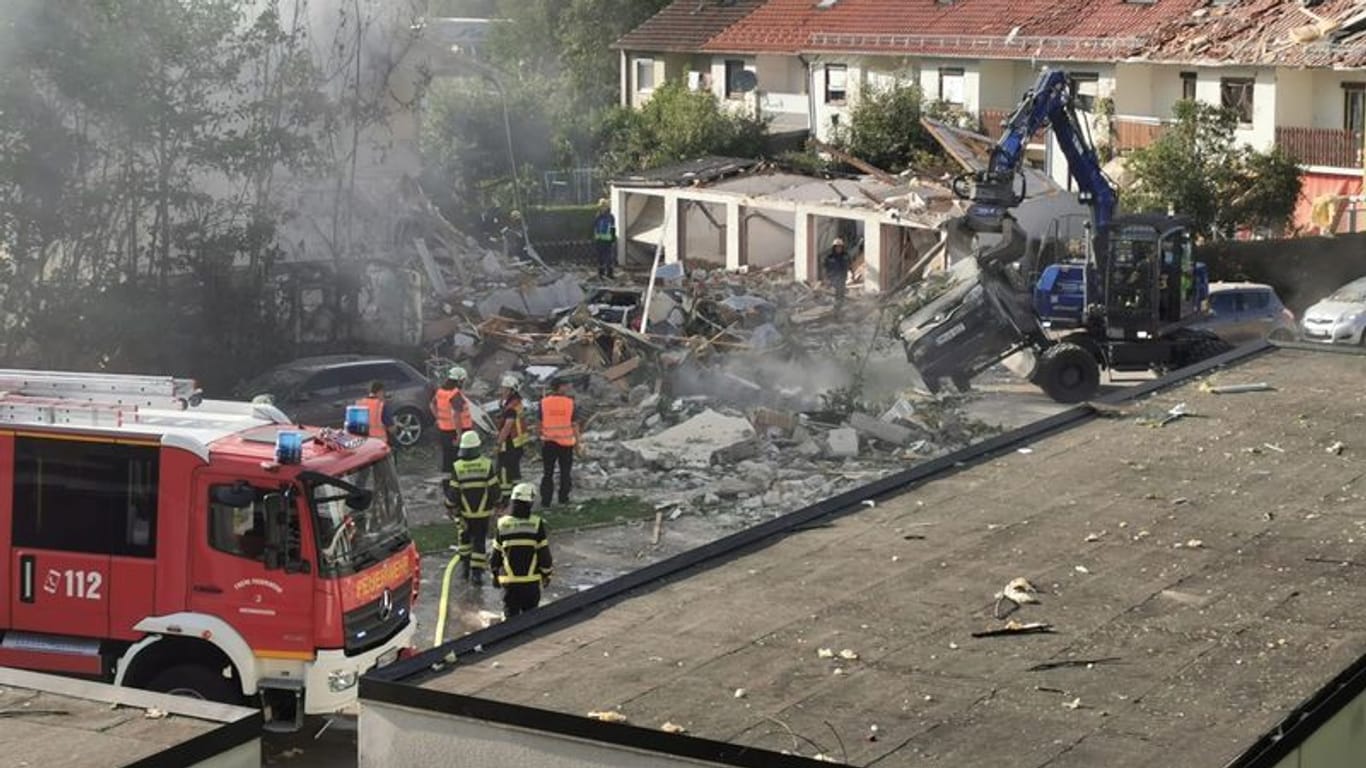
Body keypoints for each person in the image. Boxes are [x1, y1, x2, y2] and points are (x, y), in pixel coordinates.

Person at [489, 482, 554, 618]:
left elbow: (495, 556)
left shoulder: (502, 524)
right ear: (529, 503)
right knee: (530, 622)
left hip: (509, 584)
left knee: (509, 624)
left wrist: (494, 576)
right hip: (530, 583)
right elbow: (544, 555)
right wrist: (546, 574)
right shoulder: (536, 524)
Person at [446, 431, 500, 586]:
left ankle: (465, 569)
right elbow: (494, 488)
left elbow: (454, 492)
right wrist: (499, 503)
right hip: (482, 514)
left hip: (464, 514)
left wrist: (449, 506)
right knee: (479, 542)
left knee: (464, 540)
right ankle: (477, 574)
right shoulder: (486, 465)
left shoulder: (458, 467)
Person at [538, 376, 580, 509]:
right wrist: (578, 443)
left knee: (548, 473)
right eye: (565, 385)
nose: (567, 388)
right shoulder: (570, 403)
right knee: (565, 472)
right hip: (566, 443)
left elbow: (539, 423)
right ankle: (563, 498)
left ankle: (546, 500)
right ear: (559, 387)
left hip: (549, 442)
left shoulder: (544, 402)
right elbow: (575, 425)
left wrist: (541, 437)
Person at [430, 366, 472, 476]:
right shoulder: (455, 394)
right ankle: (459, 481)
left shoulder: (441, 391)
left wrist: (438, 418)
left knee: (447, 459)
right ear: (459, 380)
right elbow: (456, 415)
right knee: (460, 458)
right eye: (463, 380)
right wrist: (459, 435)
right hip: (458, 431)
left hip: (444, 430)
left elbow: (432, 404)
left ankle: (447, 483)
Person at [496, 372, 529, 507]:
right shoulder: (516, 403)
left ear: (511, 390)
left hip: (510, 443)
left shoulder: (511, 408)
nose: (502, 391)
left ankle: (506, 498)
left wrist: (498, 443)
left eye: (504, 389)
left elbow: (508, 426)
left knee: (505, 471)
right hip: (517, 443)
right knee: (515, 472)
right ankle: (518, 496)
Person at [354, 380, 394, 444]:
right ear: (380, 392)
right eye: (384, 393)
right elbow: (391, 429)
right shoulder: (380, 405)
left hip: (363, 444)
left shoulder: (359, 404)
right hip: (379, 443)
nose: (384, 395)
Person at [824, 237, 851, 314]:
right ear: (834, 247)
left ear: (842, 247)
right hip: (833, 279)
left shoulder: (845, 256)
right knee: (834, 295)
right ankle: (835, 310)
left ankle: (840, 309)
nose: (839, 249)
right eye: (837, 247)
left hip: (842, 278)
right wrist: (826, 278)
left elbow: (849, 265)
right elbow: (825, 268)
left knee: (841, 294)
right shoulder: (830, 257)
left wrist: (851, 273)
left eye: (840, 247)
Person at [592, 199, 617, 280]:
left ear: (607, 207)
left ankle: (610, 273)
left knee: (609, 258)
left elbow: (613, 227)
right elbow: (595, 228)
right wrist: (596, 238)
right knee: (600, 258)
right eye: (601, 207)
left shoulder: (611, 217)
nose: (603, 208)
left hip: (608, 241)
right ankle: (600, 274)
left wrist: (613, 239)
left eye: (604, 206)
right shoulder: (598, 216)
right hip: (599, 240)